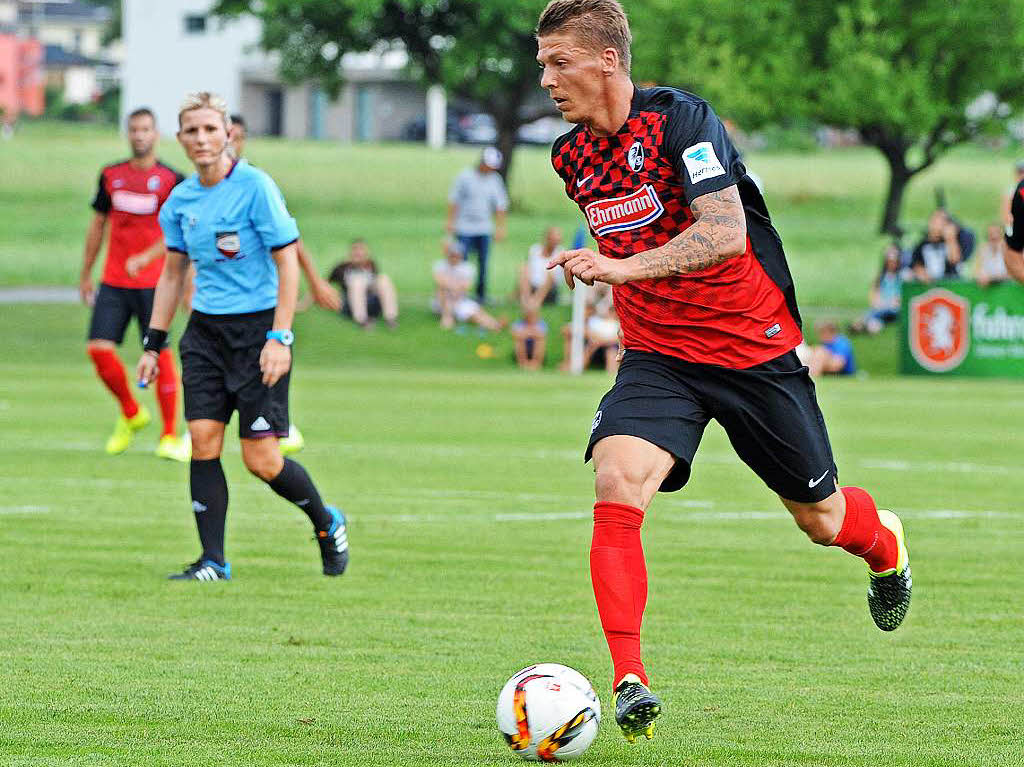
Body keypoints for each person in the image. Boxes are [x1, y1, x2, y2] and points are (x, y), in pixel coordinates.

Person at [536, 0, 911, 743]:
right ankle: (629, 680)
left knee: (823, 519)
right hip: (659, 355)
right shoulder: (568, 156)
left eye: (558, 61)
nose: (545, 77)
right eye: (542, 63)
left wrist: (619, 267)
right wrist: (619, 278)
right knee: (617, 479)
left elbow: (725, 233)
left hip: (752, 349)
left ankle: (888, 545)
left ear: (607, 59)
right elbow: (632, 230)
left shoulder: (682, 122)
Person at [136, 92, 348, 581]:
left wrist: (280, 337)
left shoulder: (255, 187)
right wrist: (154, 343)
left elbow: (287, 260)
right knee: (203, 439)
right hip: (205, 333)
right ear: (181, 138)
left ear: (227, 131)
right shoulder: (180, 200)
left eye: (210, 129)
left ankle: (325, 520)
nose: (202, 139)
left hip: (258, 332)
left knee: (261, 459)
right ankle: (213, 561)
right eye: (192, 130)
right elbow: (172, 275)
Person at [227, 113, 342, 455]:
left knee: (267, 355)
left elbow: (289, 240)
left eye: (235, 136)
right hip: (220, 297)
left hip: (258, 294)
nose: (228, 141)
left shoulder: (256, 184)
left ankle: (278, 420)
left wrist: (315, 280)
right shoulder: (199, 187)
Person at [80, 107, 190, 461]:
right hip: (113, 280)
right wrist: (86, 272)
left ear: (156, 134)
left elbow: (182, 231)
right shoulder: (110, 175)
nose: (140, 135)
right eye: (134, 129)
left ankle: (171, 434)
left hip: (155, 283)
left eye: (146, 129)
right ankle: (131, 412)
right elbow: (98, 225)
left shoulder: (173, 179)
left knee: (161, 353)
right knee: (98, 348)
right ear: (128, 134)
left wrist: (148, 257)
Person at [446, 146, 509, 302]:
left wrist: (500, 227)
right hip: (464, 227)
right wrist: (450, 222)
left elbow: (500, 205)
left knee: (483, 264)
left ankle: (481, 295)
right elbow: (454, 200)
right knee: (462, 263)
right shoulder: (465, 177)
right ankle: (461, 294)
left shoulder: (495, 180)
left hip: (484, 228)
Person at [432, 238, 506, 331]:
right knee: (444, 292)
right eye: (452, 255)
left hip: (459, 299)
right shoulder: (440, 265)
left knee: (476, 311)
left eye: (456, 255)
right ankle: (447, 317)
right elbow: (440, 282)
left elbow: (466, 286)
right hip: (443, 301)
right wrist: (454, 287)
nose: (454, 257)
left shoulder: (467, 268)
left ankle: (494, 323)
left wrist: (453, 287)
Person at [327, 239, 399, 328]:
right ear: (350, 252)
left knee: (383, 279)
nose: (358, 252)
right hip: (349, 305)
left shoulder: (371, 264)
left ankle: (390, 318)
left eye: (361, 250)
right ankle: (362, 320)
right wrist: (306, 304)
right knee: (358, 282)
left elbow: (377, 286)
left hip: (371, 302)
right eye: (356, 249)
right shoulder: (342, 267)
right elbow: (322, 285)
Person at [849, 243, 902, 334]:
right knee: (877, 314)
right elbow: (874, 292)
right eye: (889, 262)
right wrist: (877, 302)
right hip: (882, 306)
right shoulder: (881, 277)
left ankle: (860, 323)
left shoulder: (901, 277)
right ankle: (867, 327)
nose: (891, 264)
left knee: (877, 313)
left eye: (893, 262)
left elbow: (901, 296)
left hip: (894, 307)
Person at [910, 210, 962, 283]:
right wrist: (921, 273)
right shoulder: (921, 245)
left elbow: (955, 260)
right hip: (929, 286)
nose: (938, 225)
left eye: (943, 222)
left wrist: (950, 238)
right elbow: (916, 265)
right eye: (936, 221)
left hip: (949, 284)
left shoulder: (949, 242)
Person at [520, 226, 564, 308]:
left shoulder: (560, 253)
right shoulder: (535, 249)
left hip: (549, 290)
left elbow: (555, 278)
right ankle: (526, 300)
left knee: (550, 275)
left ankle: (535, 303)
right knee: (524, 269)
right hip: (533, 285)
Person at [512, 305, 548, 369]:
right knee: (520, 339)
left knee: (540, 340)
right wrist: (531, 333)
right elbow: (516, 335)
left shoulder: (541, 323)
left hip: (535, 346)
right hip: (523, 346)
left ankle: (536, 363)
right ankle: (523, 363)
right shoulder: (518, 323)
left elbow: (542, 335)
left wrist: (527, 333)